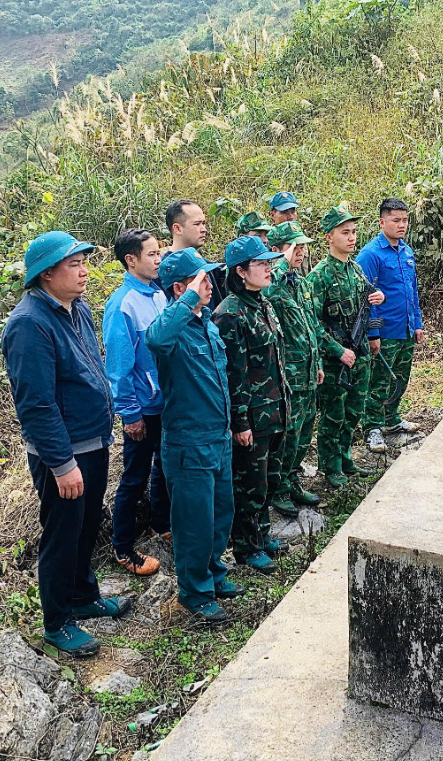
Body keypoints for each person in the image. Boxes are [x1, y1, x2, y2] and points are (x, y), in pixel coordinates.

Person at [1, 232, 130, 657]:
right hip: (64, 451)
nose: (84, 270)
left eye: (83, 261)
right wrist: (61, 463)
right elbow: (36, 404)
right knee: (61, 533)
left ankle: (82, 594)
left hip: (92, 440)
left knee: (86, 524)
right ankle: (57, 621)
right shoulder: (29, 323)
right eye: (74, 264)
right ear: (46, 273)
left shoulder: (76, 309)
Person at [146, 249, 240, 625]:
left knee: (220, 514)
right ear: (182, 287)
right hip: (189, 442)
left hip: (217, 436)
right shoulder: (171, 328)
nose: (210, 286)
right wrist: (186, 299)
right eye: (203, 281)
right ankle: (195, 592)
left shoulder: (207, 324)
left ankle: (214, 572)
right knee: (194, 521)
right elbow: (155, 339)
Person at [213, 236, 291, 573]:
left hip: (275, 407)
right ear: (241, 271)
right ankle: (246, 547)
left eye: (269, 263)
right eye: (261, 264)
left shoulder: (263, 303)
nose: (269, 269)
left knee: (268, 478)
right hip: (253, 415)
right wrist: (240, 422)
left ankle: (262, 535)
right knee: (249, 483)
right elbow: (235, 374)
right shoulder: (229, 314)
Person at [103, 229, 171, 577]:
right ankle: (123, 547)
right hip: (141, 408)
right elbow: (118, 367)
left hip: (163, 401)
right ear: (131, 260)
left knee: (163, 465)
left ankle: (162, 522)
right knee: (134, 476)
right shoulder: (123, 304)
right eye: (152, 254)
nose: (159, 260)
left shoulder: (157, 294)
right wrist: (130, 414)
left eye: (160, 253)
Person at [307, 206, 385, 487]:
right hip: (335, 359)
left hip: (360, 353)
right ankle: (331, 467)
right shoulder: (319, 277)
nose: (352, 238)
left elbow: (367, 304)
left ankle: (346, 459)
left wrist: (379, 298)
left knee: (354, 410)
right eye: (345, 232)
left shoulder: (355, 269)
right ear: (329, 237)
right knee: (333, 415)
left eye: (353, 232)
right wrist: (337, 350)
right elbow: (311, 323)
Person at [264, 222, 323, 514]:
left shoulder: (299, 282)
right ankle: (278, 489)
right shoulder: (272, 282)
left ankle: (292, 481)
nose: (299, 252)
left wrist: (319, 363)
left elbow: (311, 326)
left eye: (301, 247)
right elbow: (267, 290)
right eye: (293, 247)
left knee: (302, 436)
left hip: (309, 372)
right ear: (276, 251)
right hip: (290, 378)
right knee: (287, 436)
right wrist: (280, 262)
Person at [358, 198, 424, 453]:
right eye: (396, 220)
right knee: (379, 380)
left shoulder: (406, 252)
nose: (402, 225)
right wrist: (373, 333)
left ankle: (391, 419)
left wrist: (416, 323)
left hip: (405, 328)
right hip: (384, 331)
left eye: (405, 220)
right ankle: (372, 427)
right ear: (382, 222)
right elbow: (365, 297)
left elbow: (412, 291)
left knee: (400, 377)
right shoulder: (371, 254)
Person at [164, 200, 225, 309]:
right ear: (177, 228)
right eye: (197, 224)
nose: (204, 229)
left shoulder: (206, 266)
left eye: (204, 223)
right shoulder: (164, 270)